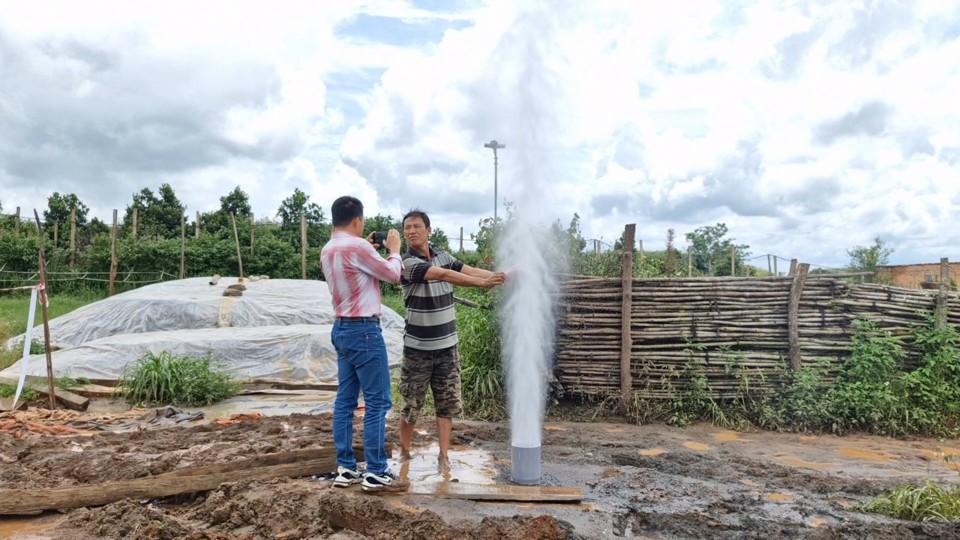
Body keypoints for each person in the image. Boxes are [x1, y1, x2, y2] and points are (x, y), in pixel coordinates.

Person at [398, 209, 506, 473]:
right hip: (418, 350)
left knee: (446, 405)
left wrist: (499, 276)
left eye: (416, 226)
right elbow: (445, 275)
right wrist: (483, 285)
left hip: (448, 348)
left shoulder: (443, 255)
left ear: (429, 230)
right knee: (411, 404)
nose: (411, 232)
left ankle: (443, 456)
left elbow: (467, 269)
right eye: (407, 228)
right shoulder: (406, 264)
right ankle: (404, 451)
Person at [320, 195, 408, 492]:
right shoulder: (358, 247)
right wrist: (394, 250)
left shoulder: (328, 248)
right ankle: (376, 470)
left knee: (345, 402)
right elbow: (393, 274)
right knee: (377, 402)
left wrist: (368, 247)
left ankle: (346, 467)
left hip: (341, 329)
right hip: (365, 332)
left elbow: (354, 271)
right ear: (357, 220)